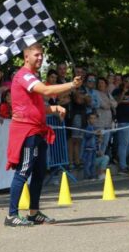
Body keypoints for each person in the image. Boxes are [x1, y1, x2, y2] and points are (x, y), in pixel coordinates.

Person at [5, 42, 82, 227]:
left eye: (41, 55)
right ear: (26, 57)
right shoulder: (23, 76)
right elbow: (47, 90)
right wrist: (71, 84)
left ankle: (33, 212)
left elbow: (36, 107)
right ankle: (11, 215)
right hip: (27, 131)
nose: (40, 58)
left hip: (37, 130)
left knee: (39, 172)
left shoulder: (32, 76)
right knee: (23, 171)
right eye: (36, 55)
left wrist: (53, 108)